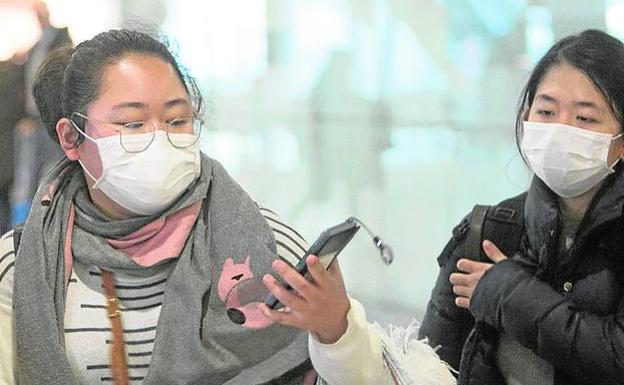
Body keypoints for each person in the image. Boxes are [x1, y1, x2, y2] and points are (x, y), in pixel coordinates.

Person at [0, 29, 454, 385]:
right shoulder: (21, 264)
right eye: (132, 123)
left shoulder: (268, 243)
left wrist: (336, 330)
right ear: (70, 137)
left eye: (177, 120)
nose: (160, 137)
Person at [419, 29, 624, 385]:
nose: (560, 130)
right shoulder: (488, 231)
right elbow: (427, 367)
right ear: (526, 117)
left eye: (585, 118)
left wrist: (507, 296)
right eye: (546, 111)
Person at [11, 0, 72, 227]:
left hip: (53, 120)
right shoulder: (36, 47)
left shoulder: (61, 41)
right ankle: (23, 224)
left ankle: (49, 223)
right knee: (26, 177)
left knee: (52, 173)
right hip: (33, 121)